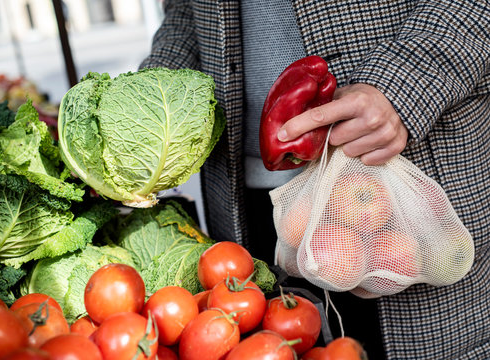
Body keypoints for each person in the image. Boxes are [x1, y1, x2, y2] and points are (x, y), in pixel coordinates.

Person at [139, 1, 489, 359]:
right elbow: (184, 11)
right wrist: (150, 102)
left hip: (395, 178)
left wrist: (403, 83)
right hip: (247, 199)